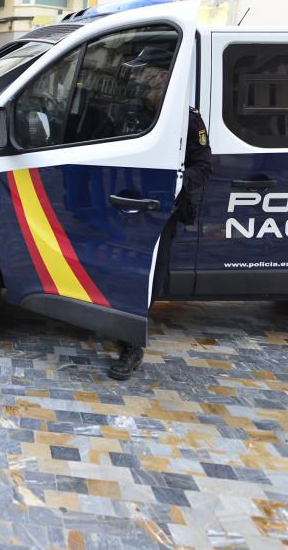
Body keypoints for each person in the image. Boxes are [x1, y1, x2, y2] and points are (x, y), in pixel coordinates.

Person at [108, 49, 212, 381]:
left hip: (158, 209)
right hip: (122, 203)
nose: (136, 78)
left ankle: (131, 344)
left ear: (161, 75)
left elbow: (204, 165)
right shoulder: (135, 110)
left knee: (146, 274)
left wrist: (175, 185)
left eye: (142, 72)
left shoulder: (185, 116)